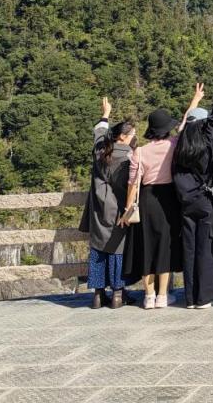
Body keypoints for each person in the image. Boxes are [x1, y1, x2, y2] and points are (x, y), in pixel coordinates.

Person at [122, 85, 205, 309]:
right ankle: (162, 295)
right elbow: (186, 124)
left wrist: (127, 210)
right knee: (165, 246)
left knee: (147, 246)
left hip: (147, 199)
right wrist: (195, 99)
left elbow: (133, 184)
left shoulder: (140, 152)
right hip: (169, 198)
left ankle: (148, 296)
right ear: (167, 128)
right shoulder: (174, 145)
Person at [172, 67, 213, 309]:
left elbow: (184, 124)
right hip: (207, 200)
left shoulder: (179, 144)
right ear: (203, 124)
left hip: (185, 202)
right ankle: (205, 297)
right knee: (208, 248)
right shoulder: (207, 140)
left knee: (189, 248)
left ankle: (190, 297)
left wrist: (195, 100)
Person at [80, 97, 136, 309]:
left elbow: (99, 133)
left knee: (98, 248)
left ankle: (97, 295)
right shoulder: (129, 157)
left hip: (97, 207)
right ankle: (118, 295)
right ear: (123, 137)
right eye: (132, 134)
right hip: (119, 208)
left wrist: (105, 114)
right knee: (117, 249)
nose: (134, 137)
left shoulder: (101, 151)